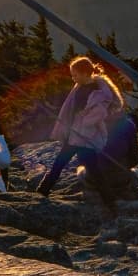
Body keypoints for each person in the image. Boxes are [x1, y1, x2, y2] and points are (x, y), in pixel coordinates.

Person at [38, 57, 125, 196]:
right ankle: (43, 190)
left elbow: (100, 113)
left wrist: (83, 121)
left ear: (85, 73)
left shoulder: (99, 92)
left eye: (75, 75)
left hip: (86, 136)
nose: (73, 78)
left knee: (83, 167)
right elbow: (72, 109)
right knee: (64, 163)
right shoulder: (79, 87)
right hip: (75, 134)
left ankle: (43, 190)